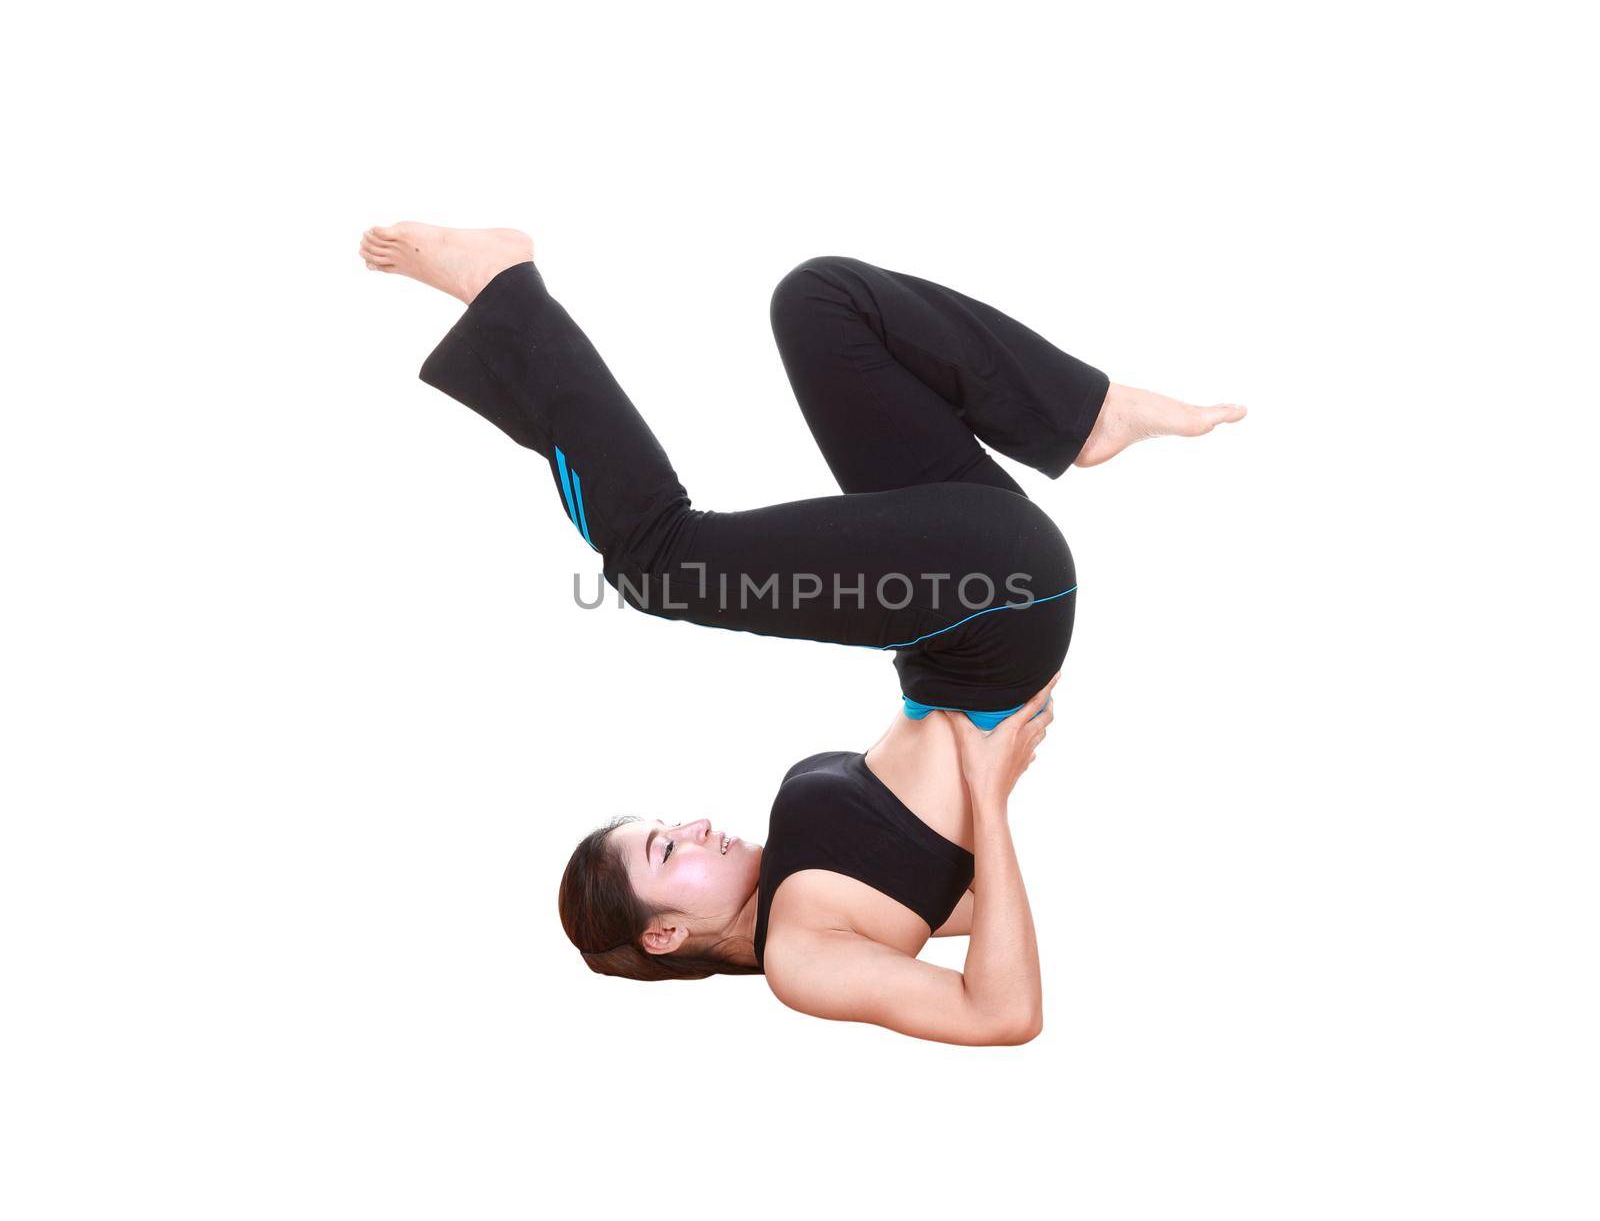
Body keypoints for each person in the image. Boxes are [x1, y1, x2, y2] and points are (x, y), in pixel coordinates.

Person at [361, 221, 1245, 1044]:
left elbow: (954, 896)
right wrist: (988, 790)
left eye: (668, 827)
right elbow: (1002, 1013)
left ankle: (1085, 413)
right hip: (997, 614)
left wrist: (974, 798)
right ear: (665, 933)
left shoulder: (809, 888)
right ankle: (502, 287)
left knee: (820, 304)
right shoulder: (800, 960)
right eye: (666, 849)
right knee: (661, 564)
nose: (694, 825)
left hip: (971, 601)